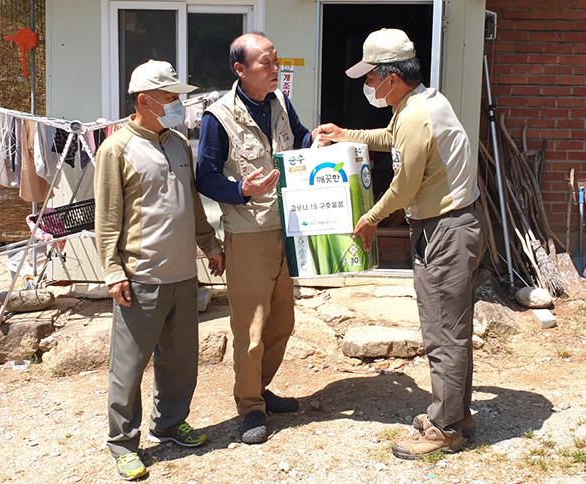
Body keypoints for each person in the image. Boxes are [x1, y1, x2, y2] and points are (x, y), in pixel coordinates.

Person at [313, 28, 487, 459]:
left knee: (442, 332)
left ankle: (444, 428)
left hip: (444, 232)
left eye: (370, 78)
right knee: (453, 329)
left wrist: (369, 218)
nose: (367, 86)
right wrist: (346, 134)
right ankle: (457, 414)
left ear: (391, 78)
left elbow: (404, 185)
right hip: (455, 225)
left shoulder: (414, 114)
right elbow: (392, 140)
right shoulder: (422, 102)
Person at [94, 59, 225, 480]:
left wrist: (210, 246)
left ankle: (168, 425)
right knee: (129, 366)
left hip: (183, 275)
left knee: (181, 361)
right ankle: (123, 443)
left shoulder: (178, 143)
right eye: (170, 98)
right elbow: (108, 218)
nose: (178, 105)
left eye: (178, 98)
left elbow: (193, 206)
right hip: (141, 278)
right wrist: (113, 271)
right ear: (144, 100)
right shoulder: (115, 149)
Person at [195, 32, 312, 444]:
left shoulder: (279, 102)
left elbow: (299, 140)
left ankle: (259, 390)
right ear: (240, 70)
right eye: (267, 63)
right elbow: (204, 177)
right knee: (250, 327)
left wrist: (323, 143)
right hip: (247, 234)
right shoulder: (219, 117)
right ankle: (248, 407)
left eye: (277, 61)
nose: (276, 69)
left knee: (283, 320)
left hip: (285, 227)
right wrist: (241, 190)